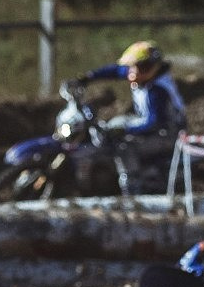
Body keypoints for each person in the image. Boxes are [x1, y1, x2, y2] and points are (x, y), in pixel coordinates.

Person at [70, 41, 187, 192]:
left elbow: (154, 121)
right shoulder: (143, 76)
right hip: (151, 125)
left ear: (153, 67)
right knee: (113, 124)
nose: (134, 72)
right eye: (133, 67)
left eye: (141, 67)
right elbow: (115, 70)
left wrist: (125, 130)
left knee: (124, 146)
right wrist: (88, 77)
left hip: (168, 134)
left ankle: (132, 186)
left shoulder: (157, 90)